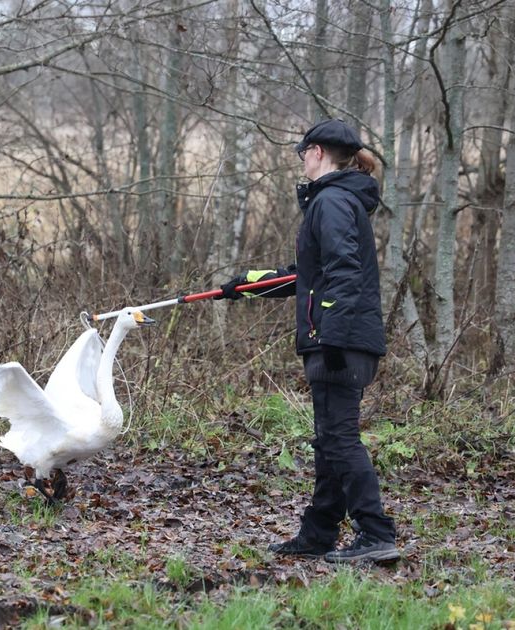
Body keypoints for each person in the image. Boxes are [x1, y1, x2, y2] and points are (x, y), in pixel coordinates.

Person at [215, 119, 399, 564]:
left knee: (338, 439)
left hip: (341, 341)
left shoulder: (332, 200)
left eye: (304, 153)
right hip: (337, 337)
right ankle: (318, 534)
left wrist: (331, 335)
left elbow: (344, 270)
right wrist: (252, 284)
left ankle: (376, 534)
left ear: (316, 152)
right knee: (328, 439)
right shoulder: (333, 201)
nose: (302, 159)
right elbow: (309, 276)